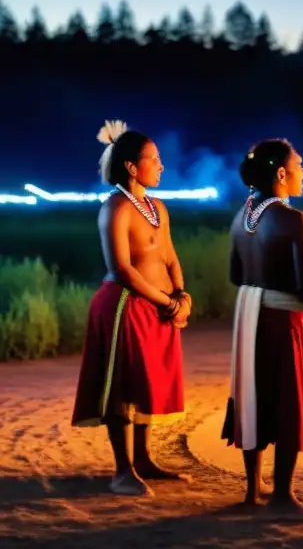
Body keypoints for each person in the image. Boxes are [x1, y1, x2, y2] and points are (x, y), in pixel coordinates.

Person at [221, 138, 303, 519]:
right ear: (280, 174)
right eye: (299, 165)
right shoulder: (294, 220)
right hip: (285, 322)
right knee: (289, 400)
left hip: (250, 319)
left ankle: (252, 490)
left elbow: (235, 274)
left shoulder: (241, 218)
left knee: (253, 394)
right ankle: (283, 498)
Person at [72, 120, 193, 496]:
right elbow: (122, 269)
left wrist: (182, 296)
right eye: (154, 159)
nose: (161, 165)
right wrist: (167, 302)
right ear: (131, 166)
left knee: (147, 382)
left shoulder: (158, 207)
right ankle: (122, 470)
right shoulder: (116, 209)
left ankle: (142, 459)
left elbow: (170, 256)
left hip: (158, 308)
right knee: (122, 386)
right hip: (126, 307)